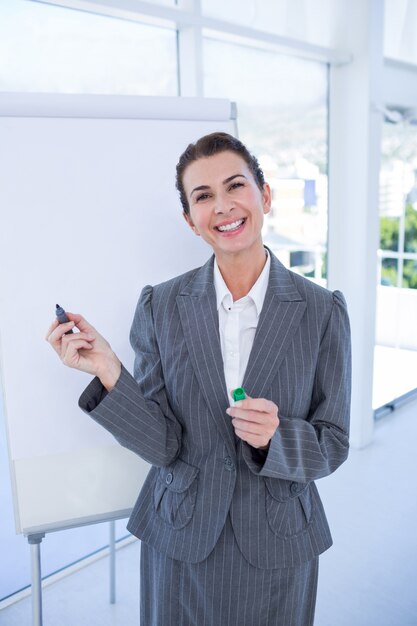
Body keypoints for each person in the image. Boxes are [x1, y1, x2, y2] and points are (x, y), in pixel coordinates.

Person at [46, 132, 351, 626]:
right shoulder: (159, 306)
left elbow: (333, 442)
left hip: (279, 542)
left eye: (236, 186)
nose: (223, 206)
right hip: (181, 536)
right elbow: (163, 443)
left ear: (265, 195)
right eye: (203, 196)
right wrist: (107, 369)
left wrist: (278, 439)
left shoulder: (322, 311)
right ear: (191, 220)